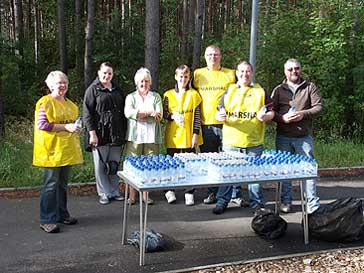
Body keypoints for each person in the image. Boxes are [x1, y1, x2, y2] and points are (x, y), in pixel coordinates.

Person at [212, 60, 275, 214]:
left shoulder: (261, 91)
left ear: (252, 73)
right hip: (231, 142)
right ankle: (222, 201)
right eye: (241, 71)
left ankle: (257, 204)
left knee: (254, 177)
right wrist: (219, 115)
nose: (244, 74)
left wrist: (265, 117)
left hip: (253, 142)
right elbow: (218, 110)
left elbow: (272, 112)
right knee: (227, 174)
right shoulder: (229, 90)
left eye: (247, 71)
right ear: (236, 73)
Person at [33, 71, 83, 233]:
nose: (62, 85)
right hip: (51, 151)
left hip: (67, 150)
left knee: (62, 185)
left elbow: (72, 124)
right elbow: (42, 125)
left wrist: (76, 128)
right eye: (59, 83)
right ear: (51, 85)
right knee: (50, 185)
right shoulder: (45, 103)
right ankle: (47, 218)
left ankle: (62, 213)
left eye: (64, 82)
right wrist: (66, 127)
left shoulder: (72, 105)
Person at [271, 58, 323, 214]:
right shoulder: (279, 90)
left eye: (297, 68)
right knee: (285, 170)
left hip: (303, 137)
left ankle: (311, 203)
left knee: (308, 170)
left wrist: (303, 114)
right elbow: (271, 112)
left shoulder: (309, 87)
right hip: (283, 137)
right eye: (290, 69)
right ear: (285, 71)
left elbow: (319, 107)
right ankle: (286, 201)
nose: (294, 71)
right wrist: (282, 118)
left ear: (300, 69)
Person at [193, 45, 237, 205]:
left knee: (229, 159)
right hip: (206, 125)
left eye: (216, 54)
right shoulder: (198, 74)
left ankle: (233, 193)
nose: (213, 57)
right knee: (210, 161)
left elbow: (239, 95)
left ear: (221, 56)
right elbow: (191, 95)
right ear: (205, 57)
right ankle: (212, 192)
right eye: (210, 55)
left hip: (228, 125)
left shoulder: (231, 74)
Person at [83, 62, 127, 205]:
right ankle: (103, 193)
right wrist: (92, 133)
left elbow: (123, 113)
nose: (107, 76)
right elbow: (87, 114)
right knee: (100, 166)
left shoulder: (117, 89)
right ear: (99, 73)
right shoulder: (92, 90)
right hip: (100, 134)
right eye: (105, 73)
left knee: (113, 165)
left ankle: (114, 191)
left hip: (116, 134)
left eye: (110, 73)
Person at [163, 65, 203, 206]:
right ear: (176, 76)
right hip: (173, 135)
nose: (183, 79)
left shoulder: (194, 95)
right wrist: (172, 116)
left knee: (189, 164)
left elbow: (197, 116)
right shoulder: (168, 94)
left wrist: (195, 134)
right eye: (181, 76)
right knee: (171, 164)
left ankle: (189, 191)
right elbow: (164, 114)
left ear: (189, 78)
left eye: (186, 77)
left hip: (188, 134)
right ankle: (169, 190)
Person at [124, 67, 163, 205]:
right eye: (141, 81)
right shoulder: (131, 97)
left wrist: (140, 114)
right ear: (136, 82)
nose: (144, 84)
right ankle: (132, 196)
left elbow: (158, 116)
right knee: (132, 166)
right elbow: (129, 114)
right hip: (135, 137)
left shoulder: (156, 97)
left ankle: (146, 195)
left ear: (150, 82)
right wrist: (149, 113)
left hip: (152, 137)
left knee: (149, 165)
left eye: (146, 81)